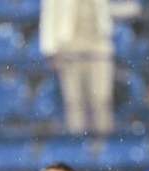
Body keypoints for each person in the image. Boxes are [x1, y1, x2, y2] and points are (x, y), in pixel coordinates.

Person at [40, 0, 115, 135]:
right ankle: (78, 144)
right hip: (69, 44)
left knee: (101, 98)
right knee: (74, 100)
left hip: (98, 42)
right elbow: (49, 12)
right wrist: (50, 49)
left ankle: (104, 143)